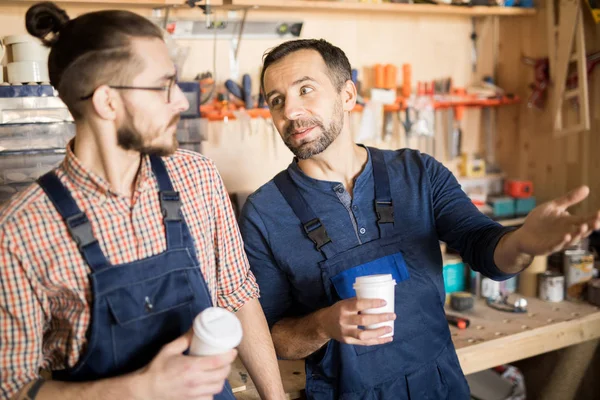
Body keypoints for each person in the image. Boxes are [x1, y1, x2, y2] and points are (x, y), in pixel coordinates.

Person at [238, 38, 600, 399]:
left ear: (347, 95)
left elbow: (484, 248)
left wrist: (521, 243)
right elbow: (272, 335)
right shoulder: (265, 212)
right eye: (276, 100)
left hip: (438, 387)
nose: (291, 111)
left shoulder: (417, 173)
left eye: (305, 90)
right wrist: (322, 324)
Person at [0, 3, 285, 400]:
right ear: (107, 102)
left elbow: (238, 295)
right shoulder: (21, 229)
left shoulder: (197, 178)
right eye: (164, 85)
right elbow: (12, 387)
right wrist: (140, 388)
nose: (182, 102)